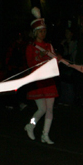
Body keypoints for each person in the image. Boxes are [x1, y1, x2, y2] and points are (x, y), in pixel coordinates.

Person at [23, 8, 59, 144]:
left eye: (44, 31)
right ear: (35, 32)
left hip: (48, 81)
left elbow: (54, 61)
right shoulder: (31, 47)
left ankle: (45, 134)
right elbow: (31, 63)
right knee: (41, 109)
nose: (43, 33)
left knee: (49, 109)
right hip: (38, 81)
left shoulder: (49, 46)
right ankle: (31, 125)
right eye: (40, 31)